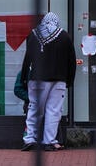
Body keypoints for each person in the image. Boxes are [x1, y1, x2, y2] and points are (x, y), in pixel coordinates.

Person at [20, 12, 76, 151]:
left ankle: (29, 139)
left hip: (37, 80)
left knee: (34, 109)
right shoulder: (65, 36)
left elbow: (28, 59)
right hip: (59, 80)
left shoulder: (33, 34)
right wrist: (69, 80)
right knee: (54, 111)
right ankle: (49, 141)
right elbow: (71, 62)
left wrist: (24, 79)